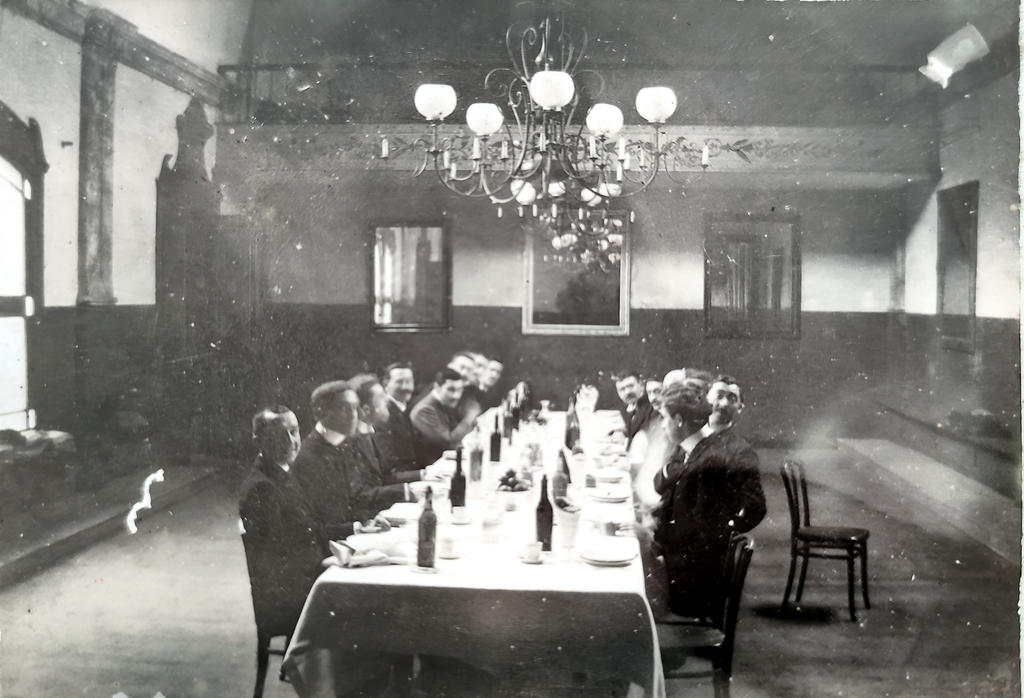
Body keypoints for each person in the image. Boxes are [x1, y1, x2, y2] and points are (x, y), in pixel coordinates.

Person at [654, 377, 767, 619]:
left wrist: (727, 530)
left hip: (691, 579)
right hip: (684, 559)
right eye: (719, 396)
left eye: (732, 398)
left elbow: (701, 529)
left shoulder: (721, 456)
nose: (723, 403)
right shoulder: (696, 447)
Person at [239, 406, 327, 629]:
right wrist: (325, 563)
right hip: (287, 595)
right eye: (280, 435)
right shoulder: (261, 488)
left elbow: (309, 528)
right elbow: (279, 556)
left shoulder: (285, 472)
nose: (291, 441)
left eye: (294, 431)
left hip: (304, 576)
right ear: (258, 441)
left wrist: (357, 528)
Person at [291, 381, 362, 542]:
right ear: (320, 412)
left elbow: (355, 498)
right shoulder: (306, 458)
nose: (353, 415)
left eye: (355, 407)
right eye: (345, 408)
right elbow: (313, 525)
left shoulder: (346, 444)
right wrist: (356, 528)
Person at [346, 373, 418, 521]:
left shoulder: (371, 431)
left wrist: (422, 476)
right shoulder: (351, 443)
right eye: (381, 398)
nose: (387, 400)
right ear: (366, 409)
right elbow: (360, 495)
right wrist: (404, 491)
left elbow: (385, 476)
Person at [410, 367, 480, 464]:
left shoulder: (443, 402)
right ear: (437, 387)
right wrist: (469, 417)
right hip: (432, 467)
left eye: (460, 390)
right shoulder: (425, 410)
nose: (456, 396)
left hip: (445, 461)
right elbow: (448, 443)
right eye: (451, 390)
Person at [376, 361, 426, 476]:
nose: (405, 387)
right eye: (399, 382)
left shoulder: (403, 408)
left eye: (409, 382)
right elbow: (389, 467)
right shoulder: (384, 414)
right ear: (385, 384)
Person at [615, 370, 654, 449]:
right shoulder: (626, 409)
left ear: (641, 385)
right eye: (622, 389)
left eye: (630, 386)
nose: (627, 392)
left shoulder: (652, 406)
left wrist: (626, 440)